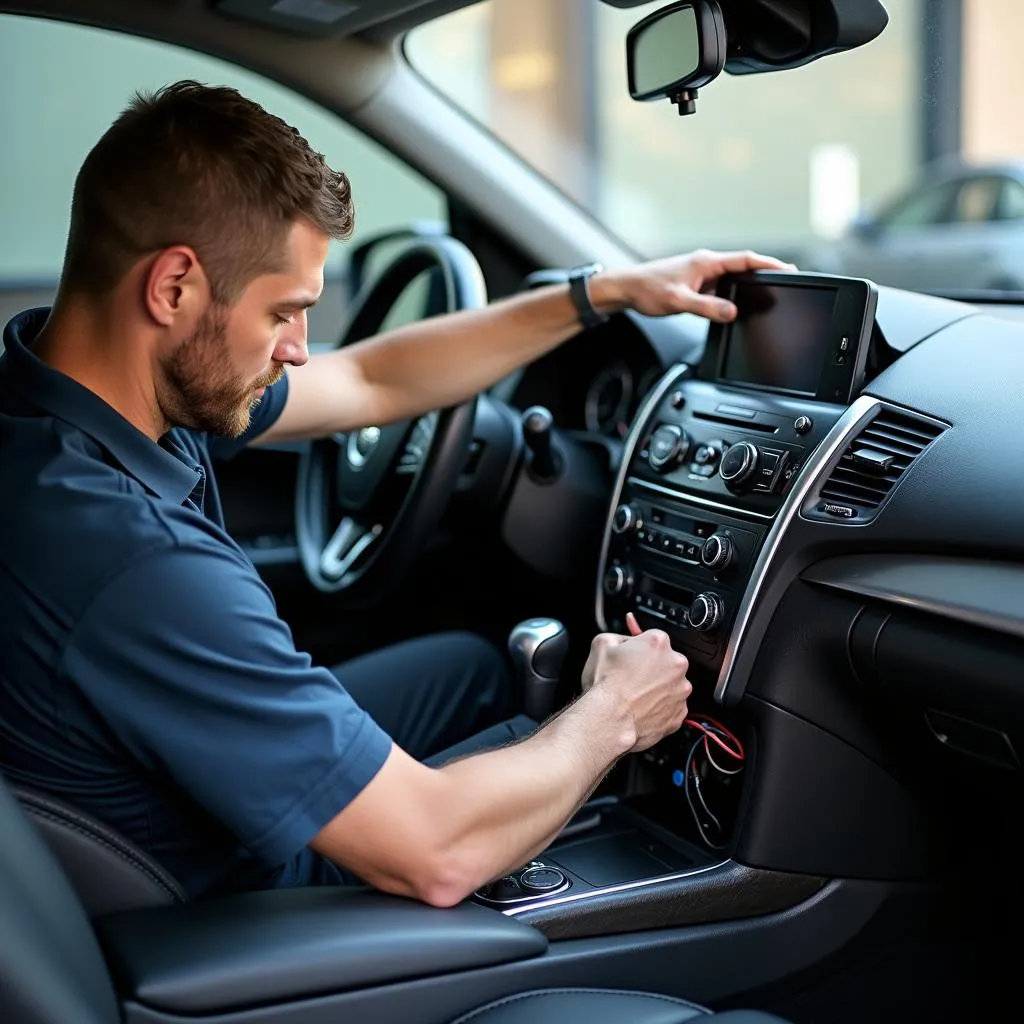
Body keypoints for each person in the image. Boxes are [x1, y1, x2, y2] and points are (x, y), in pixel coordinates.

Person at [0, 81, 791, 906]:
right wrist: (617, 712)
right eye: (285, 313)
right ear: (173, 288)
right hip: (246, 911)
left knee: (471, 671)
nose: (300, 350)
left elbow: (374, 379)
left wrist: (602, 294)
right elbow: (436, 853)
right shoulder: (135, 564)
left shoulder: (79, 408)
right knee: (566, 737)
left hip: (184, 799)